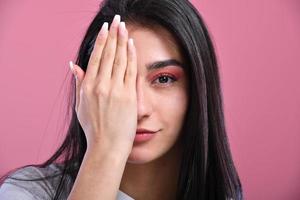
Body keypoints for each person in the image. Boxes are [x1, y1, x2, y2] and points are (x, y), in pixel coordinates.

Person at [0, 0, 243, 199]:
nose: (137, 108)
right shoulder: (26, 192)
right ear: (87, 88)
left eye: (164, 79)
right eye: (116, 78)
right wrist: (106, 146)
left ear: (199, 88)